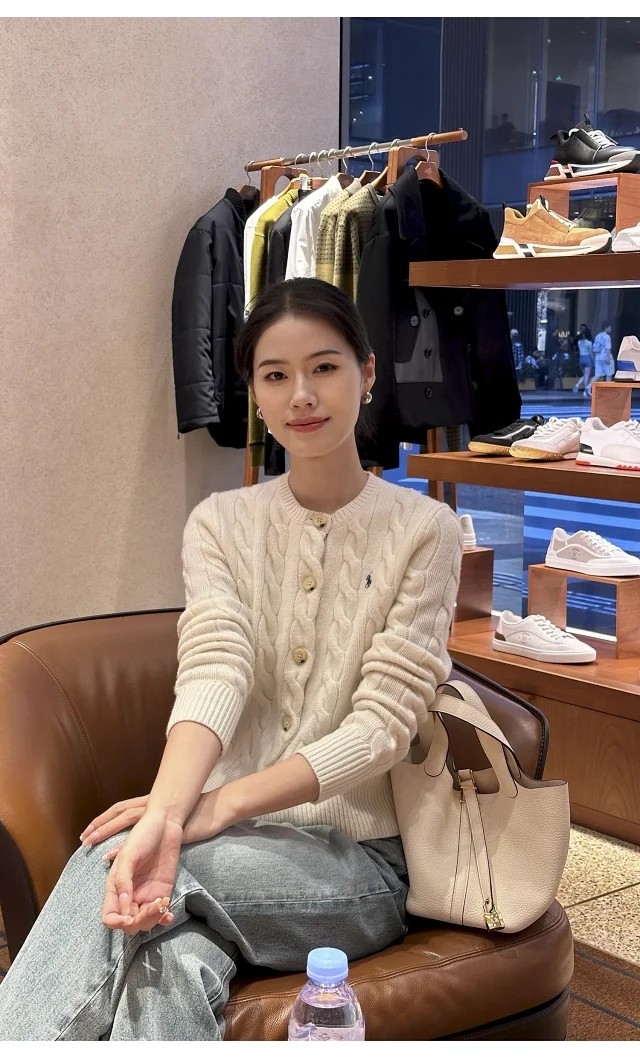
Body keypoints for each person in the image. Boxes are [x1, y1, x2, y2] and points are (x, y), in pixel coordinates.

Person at [0, 278, 463, 1041]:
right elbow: (216, 669)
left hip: (359, 866)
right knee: (170, 962)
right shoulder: (219, 523)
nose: (301, 394)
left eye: (324, 367)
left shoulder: (427, 530)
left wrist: (211, 809)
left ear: (367, 374)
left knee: (124, 856)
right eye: (275, 375)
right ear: (254, 392)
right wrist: (172, 808)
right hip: (230, 849)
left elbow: (382, 726)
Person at [591, 322, 614, 391]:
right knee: (609, 374)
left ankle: (588, 387)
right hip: (605, 357)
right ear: (606, 328)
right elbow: (608, 348)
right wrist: (608, 358)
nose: (610, 329)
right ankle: (607, 390)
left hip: (598, 357)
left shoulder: (597, 336)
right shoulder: (607, 337)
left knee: (597, 374)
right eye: (609, 327)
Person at [573, 323, 594, 396]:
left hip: (581, 358)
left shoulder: (579, 342)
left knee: (585, 375)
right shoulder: (589, 343)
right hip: (587, 358)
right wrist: (593, 360)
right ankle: (585, 390)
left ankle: (578, 385)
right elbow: (591, 353)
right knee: (587, 376)